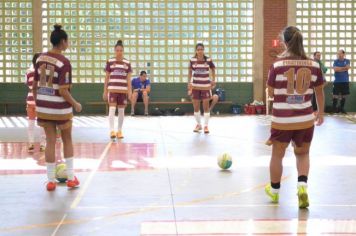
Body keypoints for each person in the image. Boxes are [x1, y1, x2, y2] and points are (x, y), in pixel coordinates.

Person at [265, 26, 325, 208]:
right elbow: (319, 92)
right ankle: (302, 187)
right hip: (305, 119)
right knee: (303, 153)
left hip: (282, 119)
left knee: (277, 155)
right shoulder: (314, 65)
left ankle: (274, 192)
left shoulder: (276, 65)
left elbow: (271, 91)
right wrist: (320, 113)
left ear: (284, 42)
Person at [33, 24, 82, 191]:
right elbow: (63, 90)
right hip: (60, 108)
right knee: (67, 139)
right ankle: (70, 178)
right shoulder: (64, 62)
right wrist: (75, 103)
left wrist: (38, 101)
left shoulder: (40, 59)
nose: (68, 44)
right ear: (62, 42)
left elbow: (34, 84)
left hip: (44, 107)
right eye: (67, 41)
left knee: (50, 142)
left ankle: (51, 181)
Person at [103, 40, 132, 140]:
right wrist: (105, 91)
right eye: (117, 50)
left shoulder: (127, 63)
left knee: (121, 111)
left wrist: (130, 92)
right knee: (111, 109)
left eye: (121, 50)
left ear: (123, 51)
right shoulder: (110, 62)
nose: (119, 52)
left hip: (123, 91)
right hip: (112, 89)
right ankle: (112, 131)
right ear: (114, 51)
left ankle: (119, 131)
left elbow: (128, 79)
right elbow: (106, 77)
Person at [188, 43, 216, 134]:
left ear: (204, 50)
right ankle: (199, 124)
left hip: (206, 86)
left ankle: (206, 126)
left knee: (206, 107)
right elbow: (190, 71)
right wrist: (189, 83)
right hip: (195, 86)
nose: (200, 51)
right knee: (196, 107)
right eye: (198, 49)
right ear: (196, 50)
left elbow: (213, 69)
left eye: (202, 49)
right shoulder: (192, 60)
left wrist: (213, 80)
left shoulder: (208, 60)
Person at [26, 53, 45, 153]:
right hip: (40, 100)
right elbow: (42, 86)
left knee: (31, 123)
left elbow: (28, 85)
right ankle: (42, 145)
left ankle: (31, 144)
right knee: (42, 124)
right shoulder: (43, 72)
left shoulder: (28, 72)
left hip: (30, 100)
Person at [332, 49, 351, 114]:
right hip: (337, 81)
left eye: (340, 53)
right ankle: (334, 109)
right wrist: (344, 68)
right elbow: (335, 69)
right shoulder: (335, 61)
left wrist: (339, 68)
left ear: (343, 54)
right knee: (335, 95)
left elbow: (348, 67)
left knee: (344, 95)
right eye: (338, 54)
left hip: (345, 81)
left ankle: (341, 108)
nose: (339, 55)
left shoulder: (347, 61)